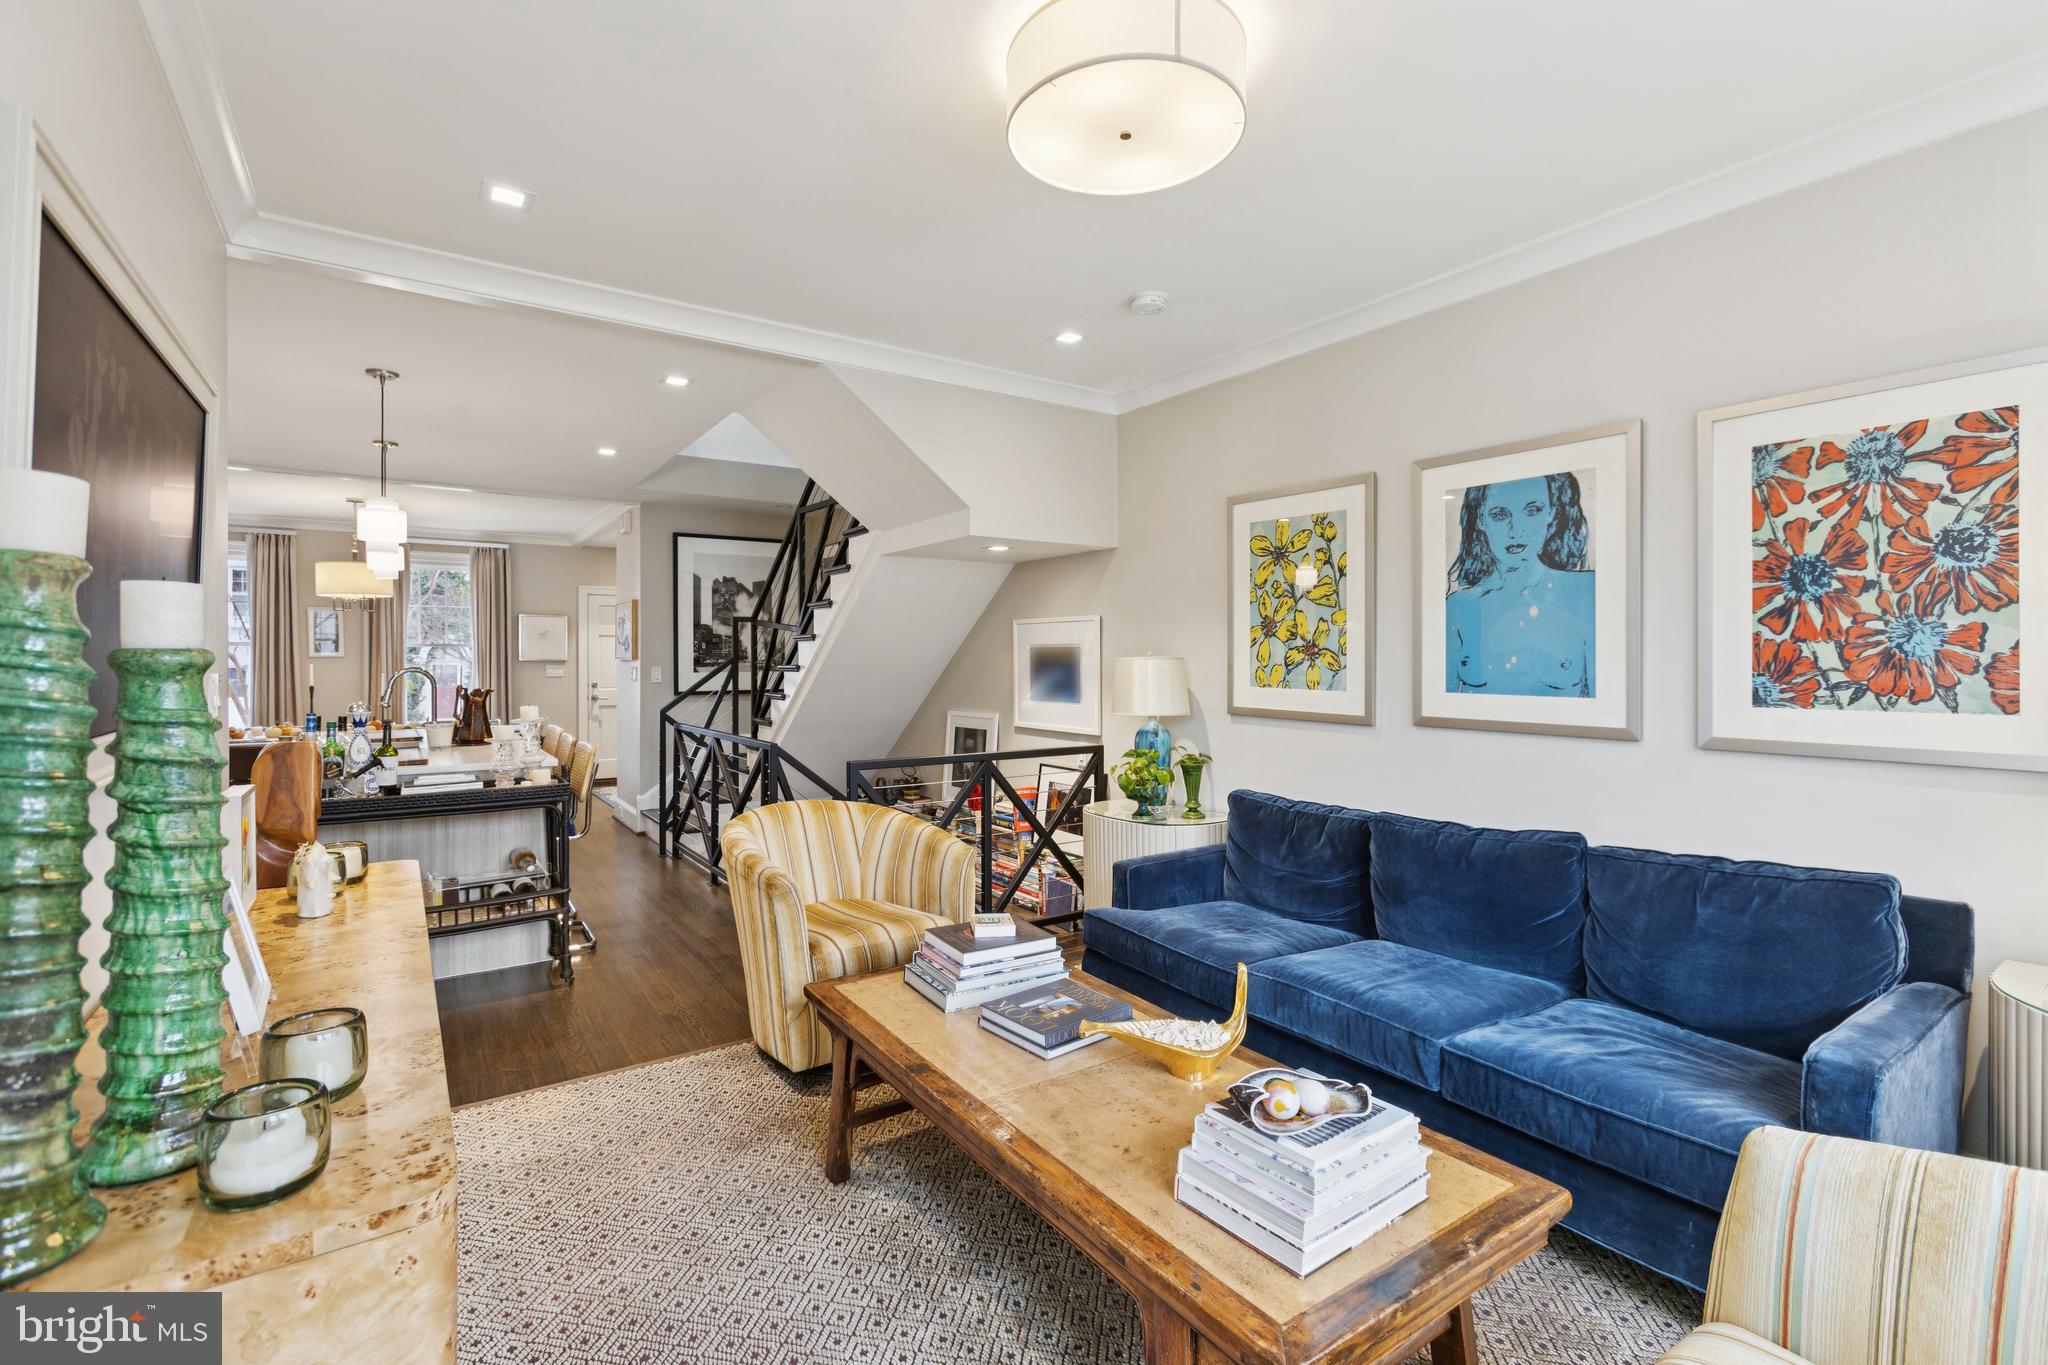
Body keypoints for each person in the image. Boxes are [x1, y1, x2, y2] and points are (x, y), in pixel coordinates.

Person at [1444, 473, 1596, 696]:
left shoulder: (1586, 590)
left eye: (1533, 511)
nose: (1516, 531)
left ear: (1551, 514)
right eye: (1499, 515)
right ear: (1481, 520)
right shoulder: (1459, 606)